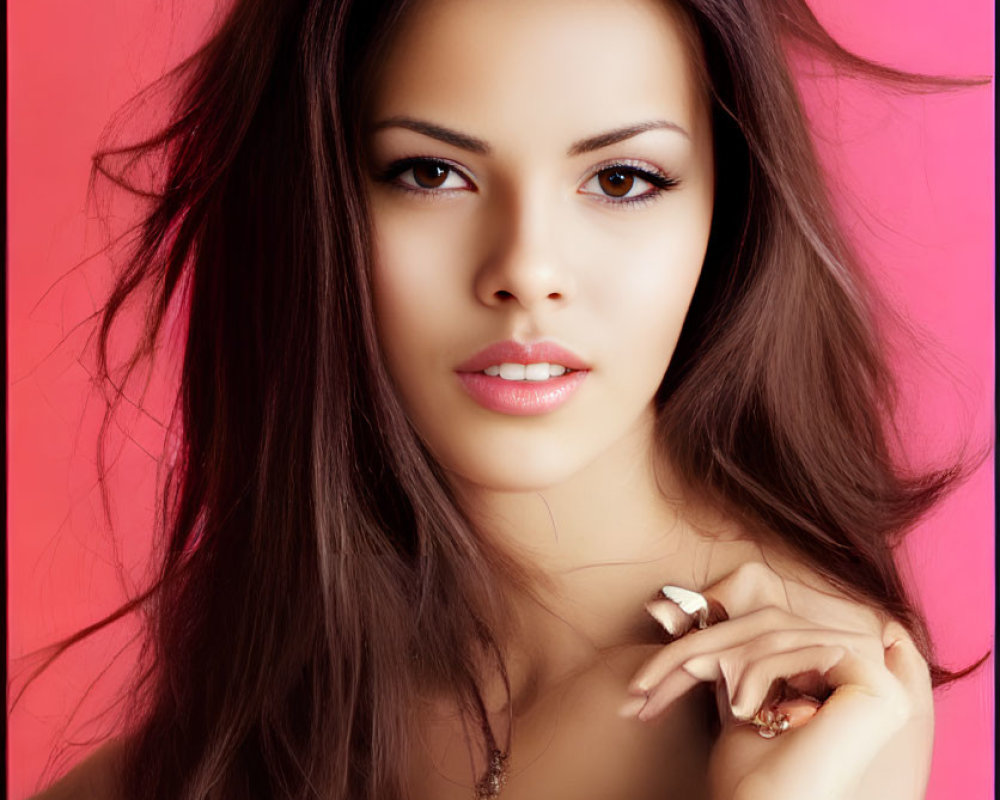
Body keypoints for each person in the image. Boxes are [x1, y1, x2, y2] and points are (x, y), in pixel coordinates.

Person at [11, 0, 991, 798]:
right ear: (313, 205)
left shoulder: (808, 709)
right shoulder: (312, 656)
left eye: (621, 178)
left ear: (724, 218)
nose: (526, 270)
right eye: (431, 173)